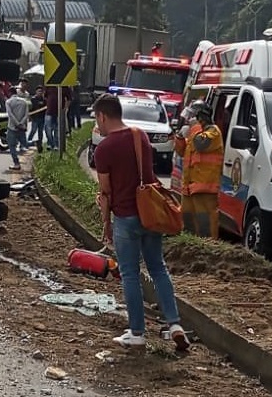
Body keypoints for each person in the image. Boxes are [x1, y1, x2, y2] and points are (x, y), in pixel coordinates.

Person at [92, 93, 189, 351]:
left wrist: (105, 222)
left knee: (130, 274)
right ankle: (175, 324)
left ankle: (137, 332)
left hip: (125, 217)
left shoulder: (104, 149)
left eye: (96, 119)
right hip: (150, 214)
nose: (97, 125)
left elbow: (106, 191)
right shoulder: (140, 136)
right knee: (158, 268)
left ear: (102, 115)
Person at [174, 100, 223, 238]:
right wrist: (179, 137)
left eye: (193, 117)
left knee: (205, 225)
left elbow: (201, 144)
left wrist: (194, 128)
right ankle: (190, 248)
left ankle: (208, 251)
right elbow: (181, 152)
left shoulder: (213, 132)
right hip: (189, 188)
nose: (189, 120)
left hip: (205, 188)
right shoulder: (195, 134)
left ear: (201, 117)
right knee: (188, 222)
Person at [4, 87, 30, 172]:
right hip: (22, 127)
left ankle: (16, 164)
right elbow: (26, 115)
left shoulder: (8, 102)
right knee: (25, 143)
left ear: (10, 93)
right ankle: (36, 143)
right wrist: (21, 124)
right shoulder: (24, 101)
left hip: (12, 127)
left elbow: (10, 115)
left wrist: (16, 124)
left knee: (12, 146)